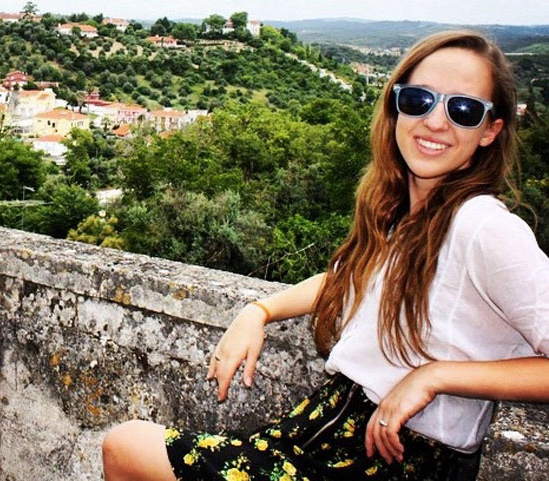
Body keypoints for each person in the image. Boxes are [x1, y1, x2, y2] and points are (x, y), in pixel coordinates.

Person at [102, 30, 549, 481]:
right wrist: (258, 310)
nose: (435, 121)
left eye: (464, 109)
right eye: (418, 99)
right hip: (325, 433)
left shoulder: (483, 227)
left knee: (129, 447)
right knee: (128, 446)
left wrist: (434, 377)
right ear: (396, 107)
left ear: (491, 130)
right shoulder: (407, 215)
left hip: (388, 459)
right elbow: (348, 278)